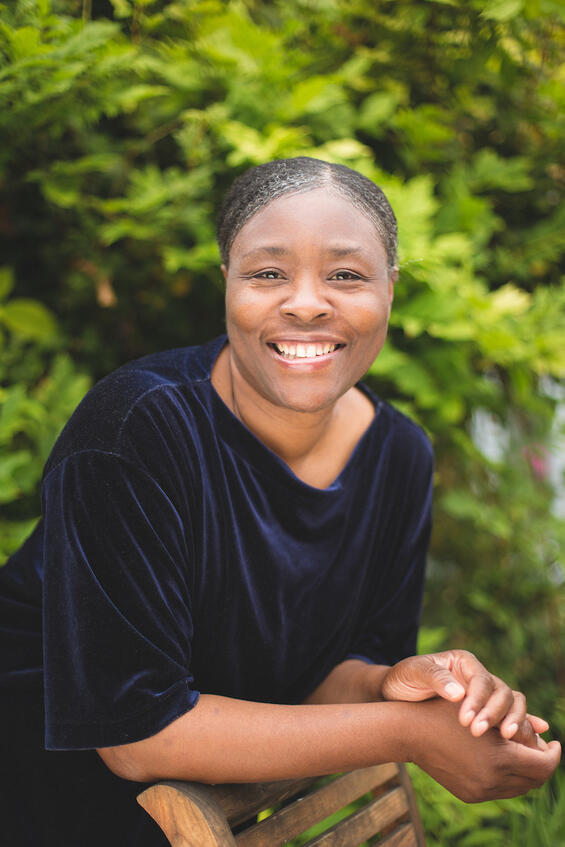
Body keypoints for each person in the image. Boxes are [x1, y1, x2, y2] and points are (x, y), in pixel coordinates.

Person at [0, 157, 560, 846]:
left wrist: (401, 686)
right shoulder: (136, 431)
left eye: (345, 275)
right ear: (227, 284)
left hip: (216, 816)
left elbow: (322, 683)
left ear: (390, 289)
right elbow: (136, 734)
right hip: (39, 800)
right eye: (267, 273)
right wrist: (409, 731)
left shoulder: (400, 455)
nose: (305, 303)